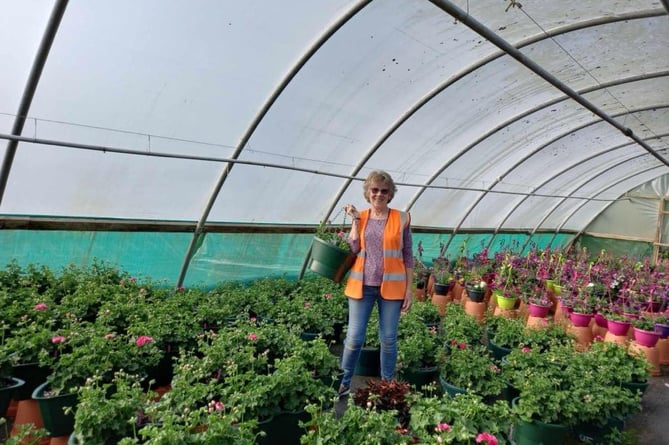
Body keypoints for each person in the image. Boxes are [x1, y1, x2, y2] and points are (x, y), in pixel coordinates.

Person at [338, 170, 414, 397]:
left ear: (390, 194)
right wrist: (355, 220)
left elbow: (408, 254)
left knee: (388, 339)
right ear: (368, 192)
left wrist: (409, 289)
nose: (379, 194)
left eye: (384, 191)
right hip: (362, 286)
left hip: (391, 287)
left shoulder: (402, 218)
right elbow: (354, 248)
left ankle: (388, 385)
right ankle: (343, 382)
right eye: (374, 190)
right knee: (354, 337)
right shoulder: (361, 216)